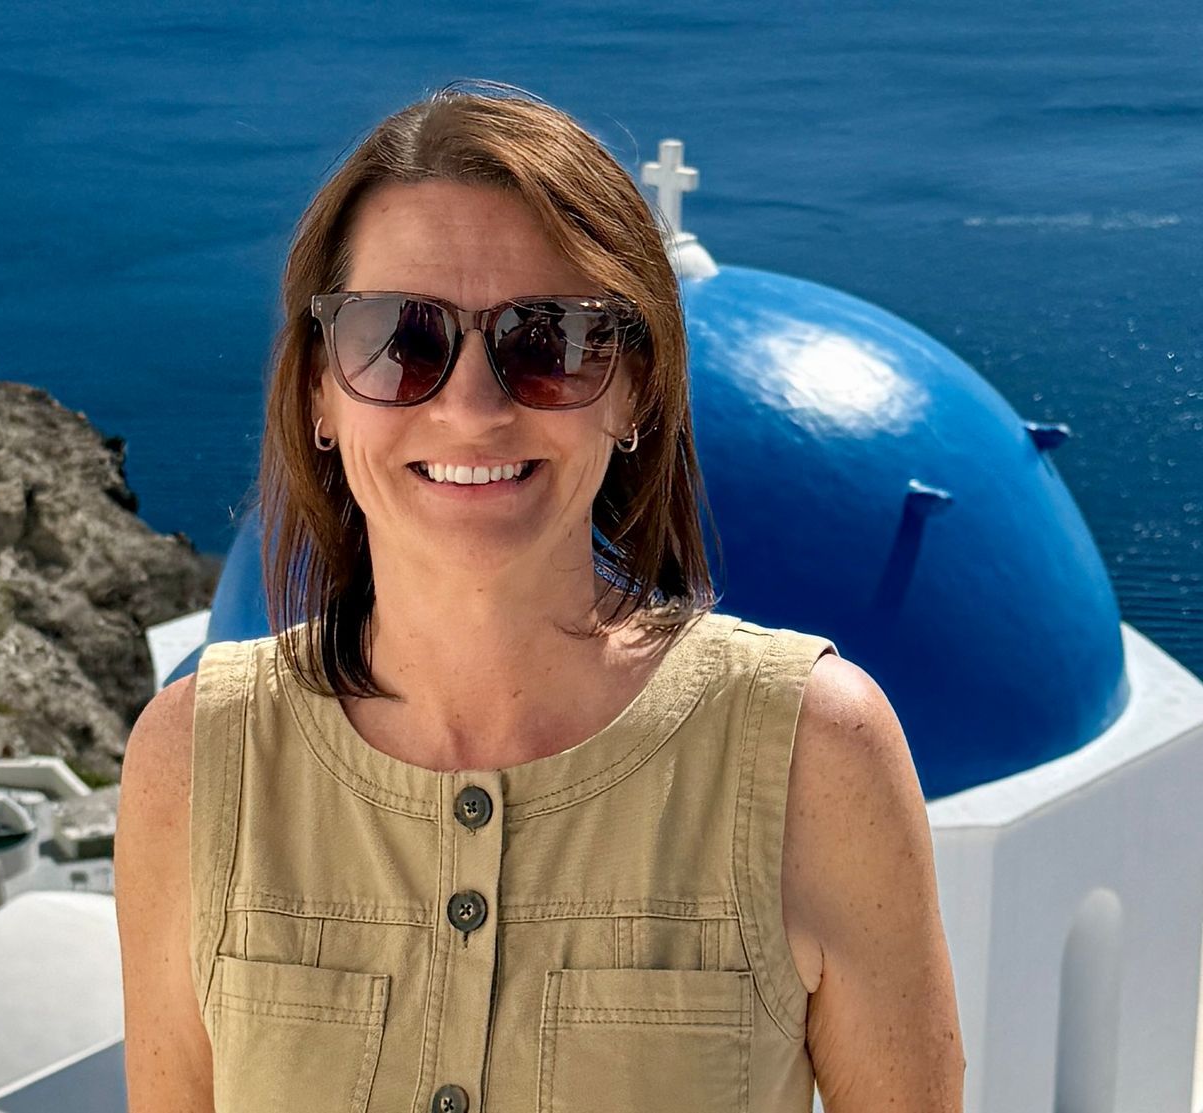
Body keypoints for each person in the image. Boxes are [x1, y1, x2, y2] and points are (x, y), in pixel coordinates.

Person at [114, 82, 965, 1113]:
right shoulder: (199, 759)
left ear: (636, 389)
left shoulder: (813, 755)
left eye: (549, 342)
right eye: (399, 339)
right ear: (318, 392)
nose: (471, 408)